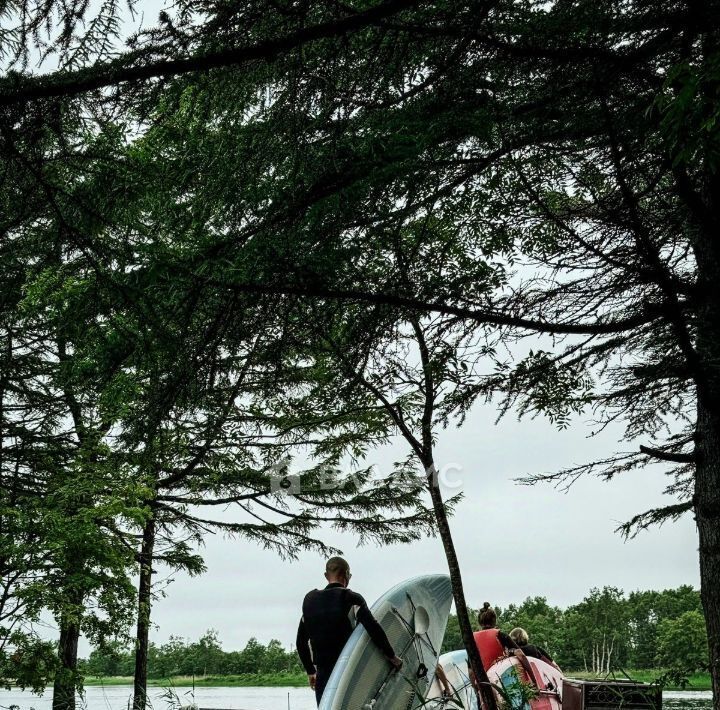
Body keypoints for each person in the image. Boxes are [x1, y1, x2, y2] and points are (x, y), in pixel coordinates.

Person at [296, 557, 403, 706]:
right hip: (347, 669)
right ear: (347, 575)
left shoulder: (310, 602)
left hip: (322, 673)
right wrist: (392, 657)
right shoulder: (350, 598)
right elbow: (373, 628)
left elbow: (300, 642)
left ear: (326, 576)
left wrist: (310, 671)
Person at [473, 602, 519, 670]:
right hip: (500, 676)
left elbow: (471, 670)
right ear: (494, 620)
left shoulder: (472, 639)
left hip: (482, 679)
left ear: (479, 622)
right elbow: (520, 654)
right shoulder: (500, 635)